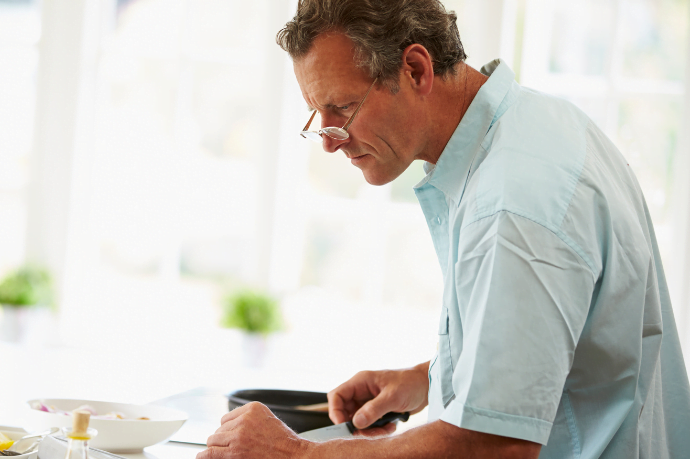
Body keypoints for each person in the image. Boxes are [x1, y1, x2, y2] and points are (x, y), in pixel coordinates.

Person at [197, 0, 690, 458]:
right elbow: (572, 348)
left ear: (415, 69)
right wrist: (432, 379)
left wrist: (298, 454)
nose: (328, 140)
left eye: (342, 108)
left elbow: (498, 444)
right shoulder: (540, 126)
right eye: (316, 113)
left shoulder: (513, 202)